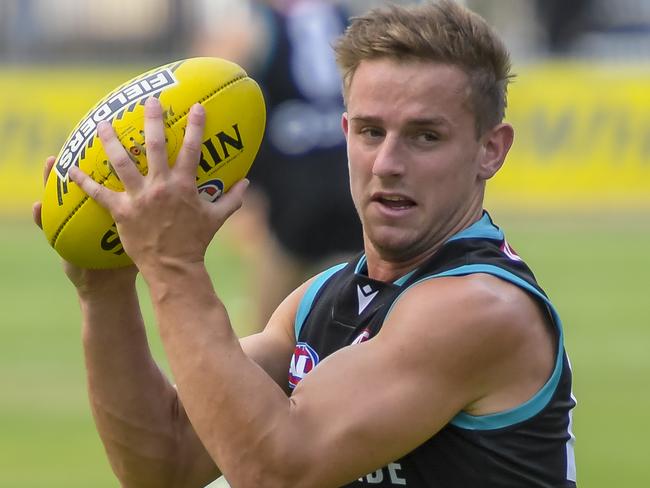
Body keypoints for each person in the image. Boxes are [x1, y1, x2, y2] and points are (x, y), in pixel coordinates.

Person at [33, 1, 577, 486]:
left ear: (490, 150)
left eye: (425, 136)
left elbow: (276, 470)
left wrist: (174, 265)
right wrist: (105, 292)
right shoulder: (319, 301)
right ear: (343, 133)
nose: (387, 164)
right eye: (370, 132)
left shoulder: (480, 308)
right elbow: (164, 463)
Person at [193, 0, 364, 329]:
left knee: (270, 331)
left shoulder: (254, 23)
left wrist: (245, 189)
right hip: (350, 180)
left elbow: (217, 86)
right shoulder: (346, 17)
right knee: (354, 325)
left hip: (293, 191)